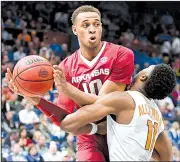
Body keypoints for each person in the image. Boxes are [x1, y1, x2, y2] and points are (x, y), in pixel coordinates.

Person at [5, 5, 134, 161]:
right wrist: (34, 99)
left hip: (123, 130)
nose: (92, 29)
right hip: (90, 138)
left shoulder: (122, 54)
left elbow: (107, 103)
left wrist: (67, 88)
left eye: (97, 24)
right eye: (86, 25)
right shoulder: (65, 67)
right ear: (74, 30)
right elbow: (63, 119)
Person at [54, 63, 176, 161]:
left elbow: (67, 124)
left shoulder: (124, 99)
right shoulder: (157, 115)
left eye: (146, 68)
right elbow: (166, 157)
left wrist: (65, 88)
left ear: (143, 76)